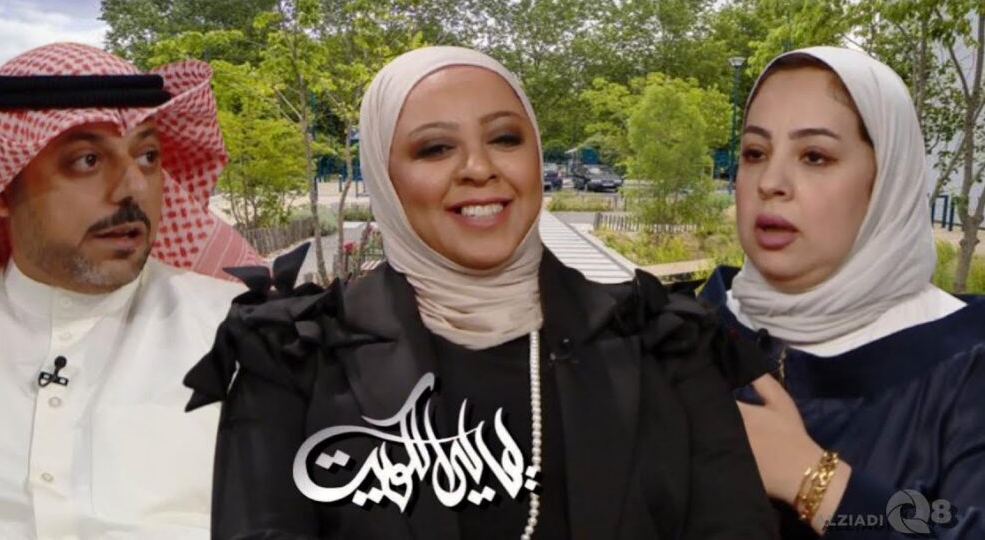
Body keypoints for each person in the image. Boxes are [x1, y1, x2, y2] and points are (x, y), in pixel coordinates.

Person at [185, 46, 777, 539]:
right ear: (385, 177)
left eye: (505, 138)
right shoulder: (294, 356)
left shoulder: (661, 338)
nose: (478, 167)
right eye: (435, 148)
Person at [0, 43, 262, 539]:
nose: (133, 188)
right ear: (0, 189)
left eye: (147, 156)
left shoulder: (254, 338)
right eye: (87, 160)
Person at [699, 46, 985, 538]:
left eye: (815, 156)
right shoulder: (692, 328)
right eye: (755, 153)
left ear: (886, 181)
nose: (771, 183)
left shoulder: (965, 363)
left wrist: (810, 478)